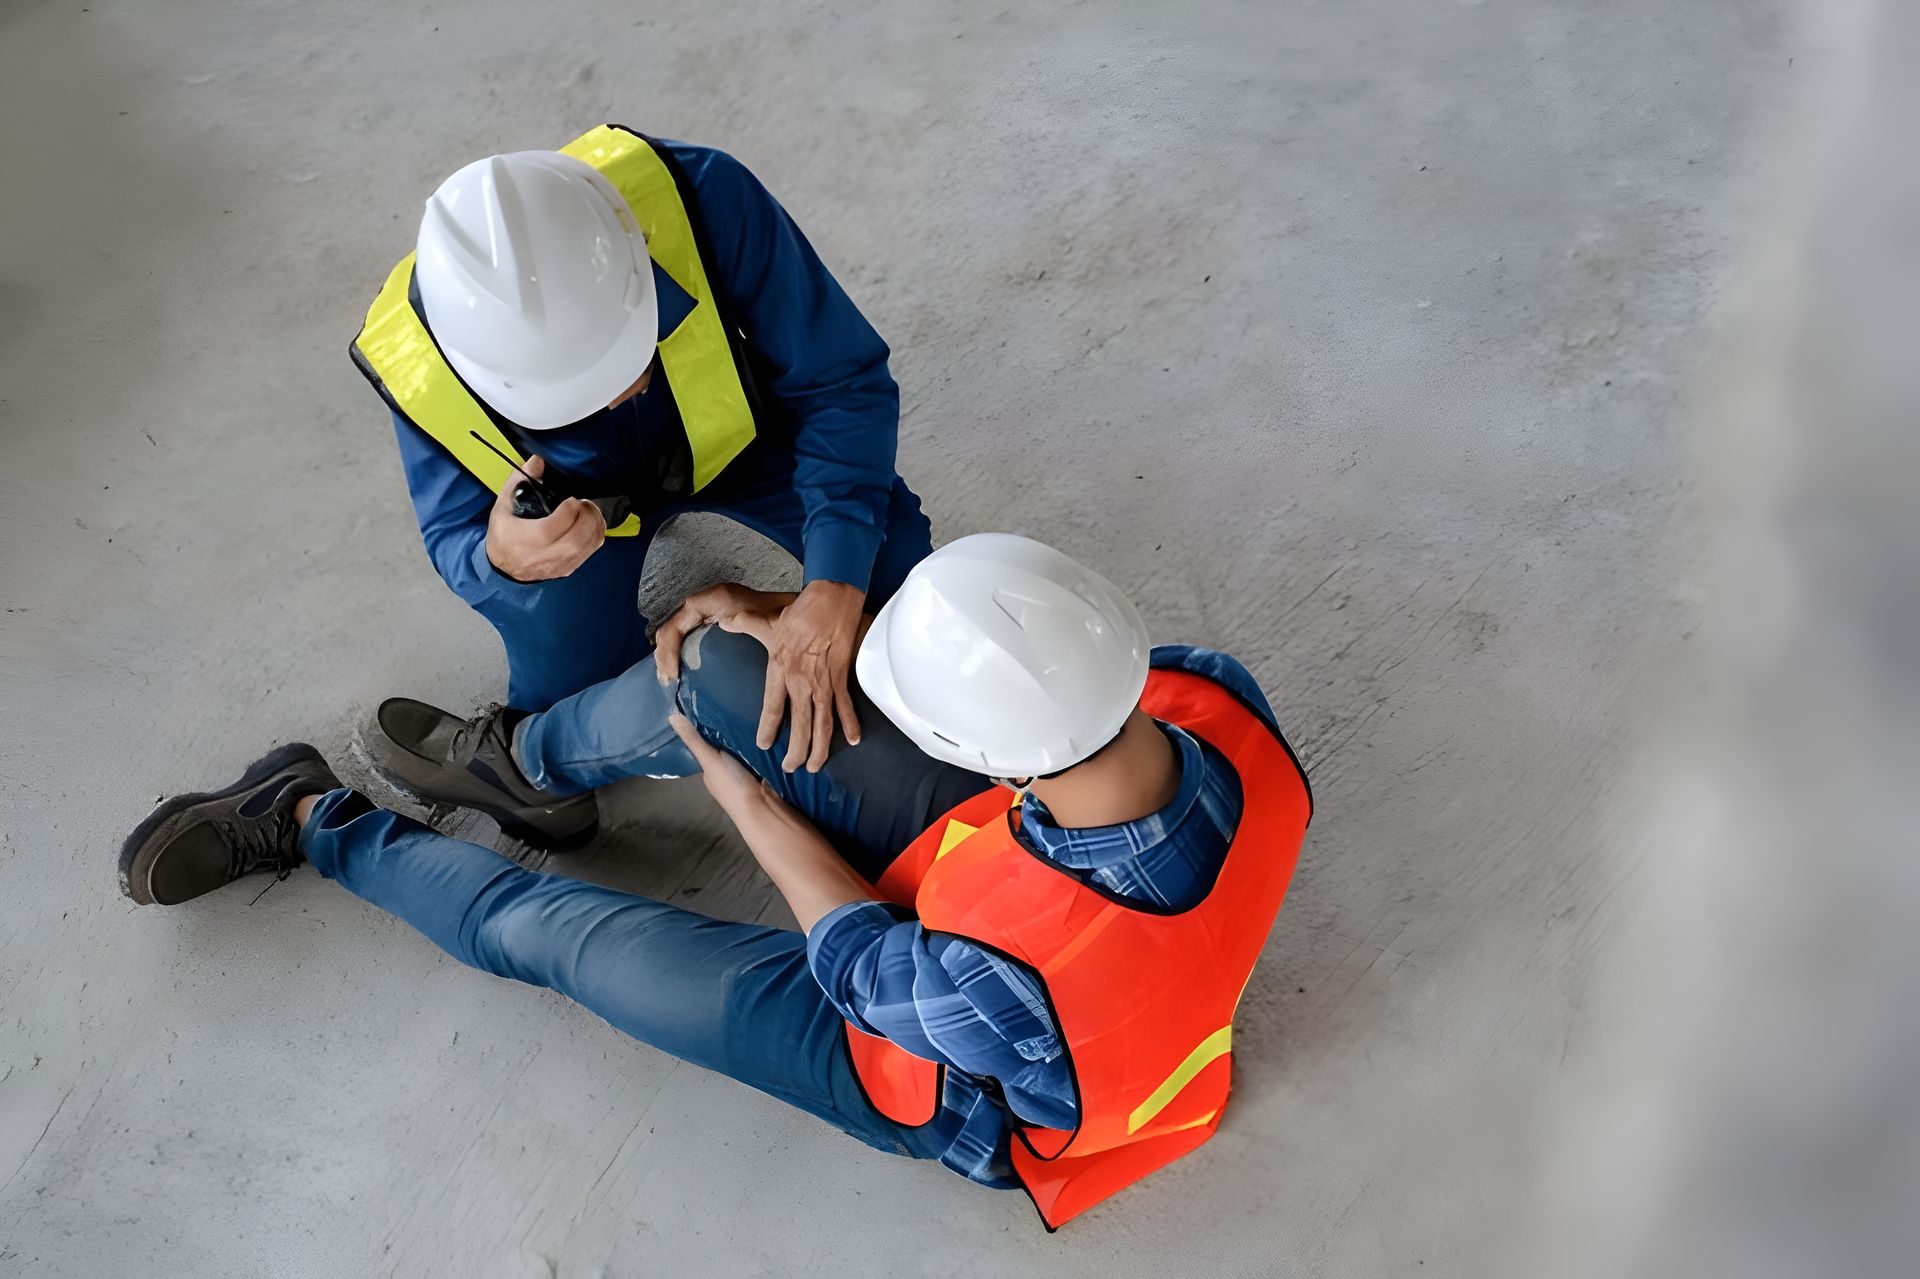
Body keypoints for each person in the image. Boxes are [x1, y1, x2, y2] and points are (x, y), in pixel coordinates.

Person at [117, 535, 1312, 1228]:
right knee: (739, 669)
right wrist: (788, 621)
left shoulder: (1004, 984)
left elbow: (853, 952)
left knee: (550, 936)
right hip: (1017, 900)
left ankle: (313, 818)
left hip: (933, 1063)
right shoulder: (1207, 700)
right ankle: (525, 767)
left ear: (974, 757)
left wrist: (735, 788)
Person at [351, 123, 931, 784]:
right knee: (575, 708)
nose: (617, 393)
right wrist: (502, 559)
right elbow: (450, 533)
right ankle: (520, 765)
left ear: (637, 248)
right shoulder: (416, 356)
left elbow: (840, 385)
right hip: (583, 517)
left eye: (625, 353)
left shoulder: (702, 195)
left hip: (747, 446)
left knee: (913, 596)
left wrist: (833, 587)